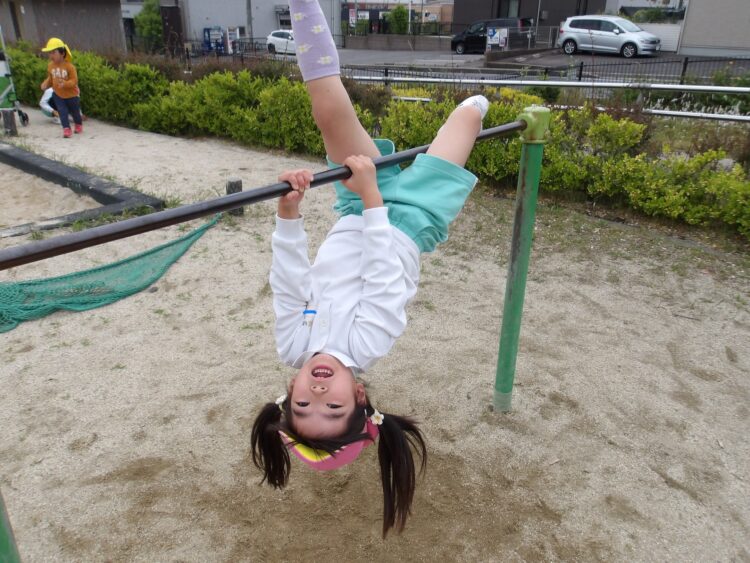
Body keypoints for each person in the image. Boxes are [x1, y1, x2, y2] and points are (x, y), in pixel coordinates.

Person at [250, 0, 489, 537]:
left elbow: (289, 285)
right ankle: (473, 108)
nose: (317, 395)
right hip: (410, 218)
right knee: (470, 114)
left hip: (355, 206)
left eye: (302, 403)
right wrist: (375, 197)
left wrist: (289, 215)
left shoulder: (293, 345)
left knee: (327, 111)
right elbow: (384, 275)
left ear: (288, 390)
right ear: (359, 396)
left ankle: (302, 5)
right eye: (332, 406)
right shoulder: (368, 344)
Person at [40, 38, 83, 138]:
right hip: (58, 94)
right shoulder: (50, 66)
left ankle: (78, 124)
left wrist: (65, 84)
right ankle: (66, 129)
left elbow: (74, 81)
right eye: (49, 53)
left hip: (72, 95)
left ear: (62, 53)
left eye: (53, 52)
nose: (51, 55)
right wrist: (45, 84)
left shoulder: (70, 67)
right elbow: (51, 78)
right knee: (62, 112)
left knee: (75, 112)